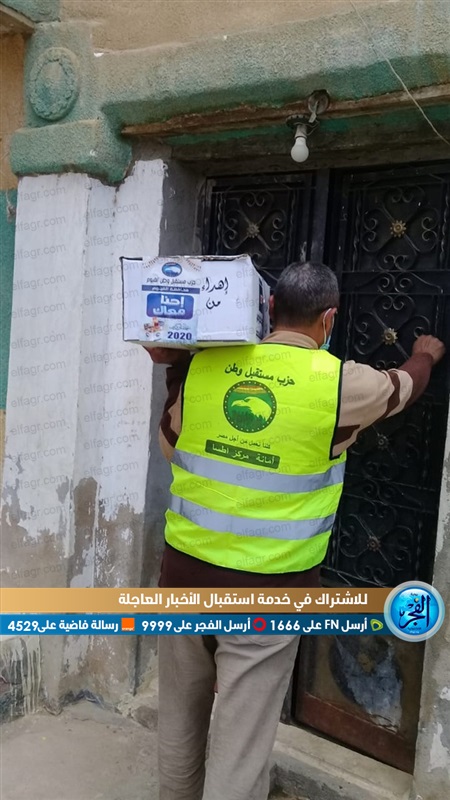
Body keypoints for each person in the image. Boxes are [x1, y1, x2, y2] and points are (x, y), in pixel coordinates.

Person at [148, 261, 445, 800]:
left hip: (182, 580)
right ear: (329, 319)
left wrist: (175, 369)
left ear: (269, 308)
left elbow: (172, 446)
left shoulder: (206, 367)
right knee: (240, 743)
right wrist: (425, 353)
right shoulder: (340, 384)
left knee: (179, 721)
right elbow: (403, 388)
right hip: (268, 595)